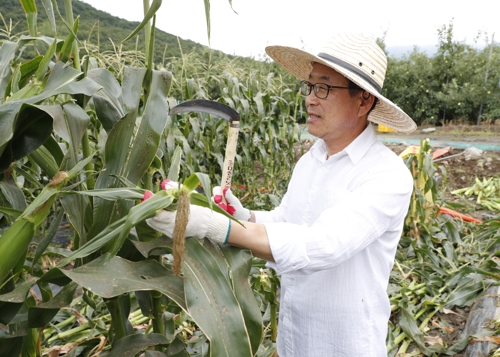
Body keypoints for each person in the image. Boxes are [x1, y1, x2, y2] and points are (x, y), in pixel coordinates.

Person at [148, 32, 417, 357]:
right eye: (310, 86)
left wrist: (217, 227)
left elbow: (321, 245)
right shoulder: (311, 161)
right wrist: (244, 217)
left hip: (343, 345)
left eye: (324, 88)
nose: (310, 99)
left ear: (364, 100)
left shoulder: (386, 176)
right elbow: (289, 220)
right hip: (293, 338)